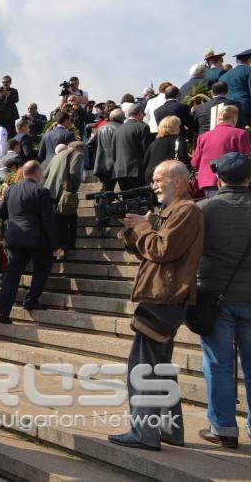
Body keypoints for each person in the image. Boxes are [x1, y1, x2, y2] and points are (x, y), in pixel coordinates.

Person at [108, 160, 204, 451]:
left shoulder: (186, 211)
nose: (154, 185)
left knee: (142, 369)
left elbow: (162, 250)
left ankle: (144, 432)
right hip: (163, 295)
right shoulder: (174, 211)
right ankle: (168, 429)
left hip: (165, 298)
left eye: (159, 179)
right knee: (160, 368)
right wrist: (134, 230)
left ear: (178, 181)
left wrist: (144, 228)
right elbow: (153, 251)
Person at [195, 152, 251, 447]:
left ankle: (223, 428)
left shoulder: (204, 208)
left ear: (218, 177)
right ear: (249, 178)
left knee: (218, 364)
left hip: (215, 295)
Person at [0, 161, 62, 324]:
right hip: (35, 238)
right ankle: (31, 299)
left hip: (14, 237)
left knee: (11, 275)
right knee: (43, 267)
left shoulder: (11, 189)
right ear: (38, 174)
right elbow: (48, 221)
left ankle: (3, 312)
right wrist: (56, 246)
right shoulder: (41, 191)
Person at [192, 105, 251, 197]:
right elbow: (245, 159)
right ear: (234, 118)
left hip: (207, 182)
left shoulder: (203, 137)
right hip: (232, 182)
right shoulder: (240, 134)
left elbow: (195, 163)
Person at [43, 141, 84, 251]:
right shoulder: (78, 154)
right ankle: (69, 245)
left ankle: (59, 246)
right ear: (79, 148)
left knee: (58, 219)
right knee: (71, 217)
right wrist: (75, 187)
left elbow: (45, 174)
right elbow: (73, 171)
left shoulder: (57, 156)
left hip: (50, 191)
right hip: (64, 192)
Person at [113, 103, 154, 191]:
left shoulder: (118, 130)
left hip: (120, 171)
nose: (144, 116)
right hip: (137, 171)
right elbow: (147, 151)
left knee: (127, 200)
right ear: (139, 112)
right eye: (144, 114)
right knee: (141, 200)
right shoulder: (143, 127)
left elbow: (113, 152)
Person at [142, 116, 190, 185]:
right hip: (167, 175)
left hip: (151, 177)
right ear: (174, 127)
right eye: (178, 126)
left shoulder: (154, 142)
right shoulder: (179, 139)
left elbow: (145, 162)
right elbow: (184, 158)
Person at [91, 108, 125, 192]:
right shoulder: (122, 128)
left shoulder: (100, 128)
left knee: (107, 190)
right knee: (124, 191)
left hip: (101, 164)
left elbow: (89, 144)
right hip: (117, 165)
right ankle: (101, 203)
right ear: (122, 118)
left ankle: (101, 203)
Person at [221, 49, 251, 129]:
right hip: (246, 108)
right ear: (249, 60)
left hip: (227, 108)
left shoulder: (223, 76)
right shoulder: (249, 71)